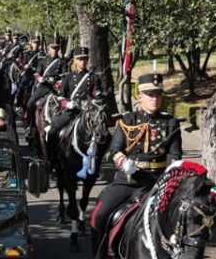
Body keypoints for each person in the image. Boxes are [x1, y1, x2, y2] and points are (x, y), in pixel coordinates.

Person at [89, 72, 182, 237]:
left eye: (158, 94)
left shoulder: (170, 123)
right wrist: (123, 162)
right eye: (150, 94)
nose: (155, 98)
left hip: (157, 182)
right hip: (129, 181)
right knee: (100, 215)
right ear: (139, 96)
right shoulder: (128, 120)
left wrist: (168, 179)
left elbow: (174, 156)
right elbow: (114, 150)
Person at [45, 46, 110, 143]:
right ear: (75, 60)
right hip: (72, 111)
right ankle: (51, 156)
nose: (82, 62)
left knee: (105, 134)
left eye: (85, 59)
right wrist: (67, 104)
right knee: (53, 128)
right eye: (80, 59)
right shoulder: (68, 77)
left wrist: (96, 98)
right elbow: (60, 96)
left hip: (88, 111)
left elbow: (97, 93)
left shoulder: (93, 77)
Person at [25, 33, 68, 115]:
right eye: (53, 48)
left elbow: (64, 74)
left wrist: (60, 82)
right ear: (49, 49)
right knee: (30, 103)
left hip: (56, 87)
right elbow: (37, 73)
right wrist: (39, 78)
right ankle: (30, 124)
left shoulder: (62, 61)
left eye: (56, 48)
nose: (54, 50)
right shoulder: (43, 60)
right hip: (44, 85)